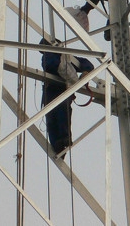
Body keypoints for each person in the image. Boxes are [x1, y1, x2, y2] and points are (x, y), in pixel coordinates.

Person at [40, 8, 96, 157]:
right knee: (55, 116)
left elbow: (85, 63)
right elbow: (52, 66)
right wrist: (84, 71)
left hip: (58, 90)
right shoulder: (53, 57)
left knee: (60, 114)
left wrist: (86, 71)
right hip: (53, 90)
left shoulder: (63, 57)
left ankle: (63, 141)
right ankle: (60, 144)